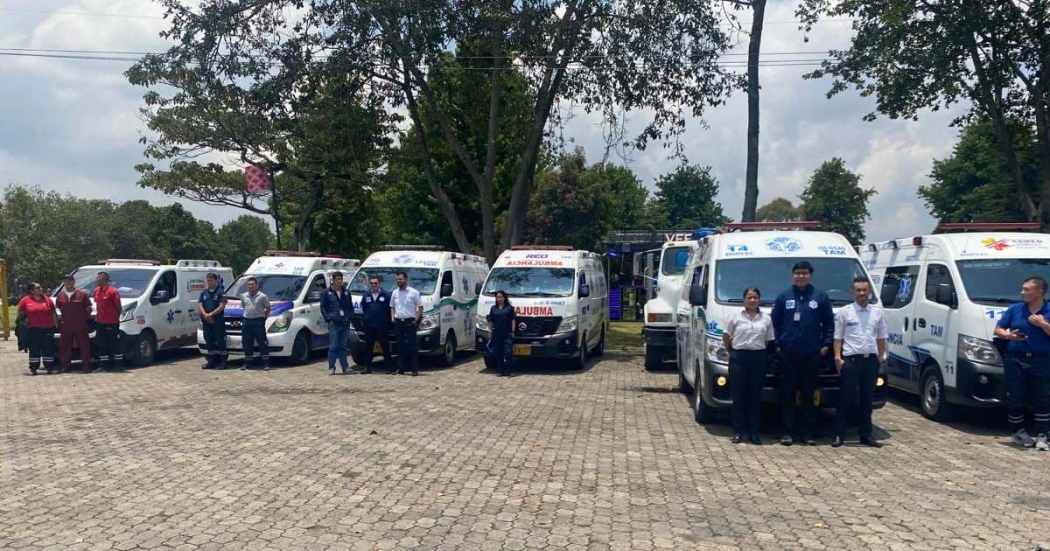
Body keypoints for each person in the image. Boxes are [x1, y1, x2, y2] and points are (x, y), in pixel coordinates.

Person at [770, 261, 834, 446]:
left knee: (809, 395)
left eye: (805, 273)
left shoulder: (820, 297)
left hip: (812, 354)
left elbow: (829, 324)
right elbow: (774, 324)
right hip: (788, 354)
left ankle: (808, 433)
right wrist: (779, 346)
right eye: (797, 273)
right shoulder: (783, 297)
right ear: (793, 275)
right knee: (787, 394)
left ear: (810, 275)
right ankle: (787, 432)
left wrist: (825, 345)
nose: (801, 276)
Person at [994, 276, 1050, 451]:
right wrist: (1008, 336)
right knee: (1016, 396)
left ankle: (1043, 435)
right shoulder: (1015, 309)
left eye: (1027, 289)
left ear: (1039, 291)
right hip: (1016, 358)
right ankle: (1018, 432)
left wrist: (1043, 324)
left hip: (1042, 359)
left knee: (1042, 397)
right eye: (1023, 289)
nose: (1022, 292)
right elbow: (998, 329)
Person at [832, 277, 888, 448]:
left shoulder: (877, 313)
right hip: (851, 361)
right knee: (845, 400)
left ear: (869, 291)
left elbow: (881, 337)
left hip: (870, 361)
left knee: (867, 400)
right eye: (858, 290)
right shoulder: (845, 312)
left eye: (865, 290)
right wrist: (838, 358)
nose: (862, 293)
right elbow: (838, 337)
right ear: (852, 292)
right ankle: (838, 435)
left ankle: (866, 435)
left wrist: (880, 357)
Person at [723, 287, 775, 445]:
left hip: (758, 358)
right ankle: (738, 432)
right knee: (738, 396)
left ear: (759, 299)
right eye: (749, 297)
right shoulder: (735, 317)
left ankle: (754, 433)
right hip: (739, 357)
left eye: (755, 297)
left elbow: (768, 339)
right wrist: (733, 351)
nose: (752, 300)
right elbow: (726, 337)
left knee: (755, 396)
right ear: (744, 299)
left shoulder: (766, 318)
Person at [16, 282, 58, 375]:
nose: (41, 289)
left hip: (47, 328)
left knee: (48, 348)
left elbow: (53, 313)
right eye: (38, 288)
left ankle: (49, 367)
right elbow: (20, 315)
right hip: (33, 329)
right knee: (34, 349)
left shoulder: (47, 300)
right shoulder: (25, 300)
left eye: (40, 287)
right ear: (32, 290)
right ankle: (34, 368)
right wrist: (21, 327)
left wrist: (55, 325)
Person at [56, 275, 93, 373]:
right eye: (65, 282)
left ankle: (86, 365)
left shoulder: (82, 294)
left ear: (73, 282)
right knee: (65, 345)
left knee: (84, 345)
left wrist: (84, 318)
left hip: (80, 324)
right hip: (66, 325)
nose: (67, 283)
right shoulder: (60, 295)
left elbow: (88, 308)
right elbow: (58, 308)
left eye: (69, 281)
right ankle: (65, 366)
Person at [390, 270, 422, 376]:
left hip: (410, 322)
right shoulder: (395, 292)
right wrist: (392, 318)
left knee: (412, 346)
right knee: (400, 346)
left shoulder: (413, 292)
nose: (398, 281)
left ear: (406, 280)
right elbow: (392, 306)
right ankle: (400, 368)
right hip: (398, 322)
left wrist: (416, 320)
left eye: (400, 279)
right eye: (397, 279)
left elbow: (420, 307)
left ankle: (414, 369)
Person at [359, 275, 393, 374]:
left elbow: (390, 309)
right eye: (372, 283)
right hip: (369, 326)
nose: (373, 285)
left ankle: (389, 367)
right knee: (368, 347)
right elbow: (364, 308)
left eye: (375, 283)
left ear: (380, 283)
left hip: (382, 326)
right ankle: (367, 367)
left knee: (385, 347)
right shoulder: (366, 295)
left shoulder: (386, 295)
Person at [321, 271, 353, 375]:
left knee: (343, 346)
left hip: (345, 323)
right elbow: (323, 307)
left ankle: (345, 367)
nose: (340, 281)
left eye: (341, 279)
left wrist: (350, 317)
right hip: (334, 323)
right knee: (333, 346)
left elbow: (350, 307)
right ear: (333, 280)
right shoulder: (327, 292)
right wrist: (328, 319)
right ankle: (332, 367)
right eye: (338, 279)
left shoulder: (346, 292)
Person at [93, 272, 125, 371]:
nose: (96, 280)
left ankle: (118, 365)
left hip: (112, 322)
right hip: (100, 322)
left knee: (114, 343)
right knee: (102, 343)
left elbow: (118, 307)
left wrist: (116, 317)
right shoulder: (96, 291)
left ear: (103, 279)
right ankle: (103, 366)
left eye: (98, 278)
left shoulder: (113, 291)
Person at [240, 277, 272, 371]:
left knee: (262, 343)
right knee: (247, 343)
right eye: (249, 284)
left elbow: (268, 308)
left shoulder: (262, 296)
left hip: (258, 322)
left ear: (256, 285)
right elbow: (244, 307)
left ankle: (266, 363)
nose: (250, 286)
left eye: (252, 284)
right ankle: (247, 363)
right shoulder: (244, 296)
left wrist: (264, 318)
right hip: (247, 322)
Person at [198, 272, 228, 370]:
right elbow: (200, 304)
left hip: (217, 321)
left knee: (220, 341)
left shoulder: (221, 292)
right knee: (209, 341)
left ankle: (223, 362)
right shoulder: (204, 292)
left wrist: (211, 314)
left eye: (211, 280)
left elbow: (221, 306)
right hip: (206, 321)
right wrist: (205, 314)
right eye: (208, 280)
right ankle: (211, 362)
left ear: (216, 281)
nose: (209, 282)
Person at [487, 290, 517, 377]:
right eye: (497, 297)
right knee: (498, 353)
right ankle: (501, 371)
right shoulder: (493, 308)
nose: (499, 299)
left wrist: (513, 331)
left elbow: (513, 320)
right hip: (497, 334)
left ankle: (509, 371)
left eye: (501, 297)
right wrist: (490, 331)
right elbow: (491, 321)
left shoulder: (509, 308)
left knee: (508, 352)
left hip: (507, 333)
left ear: (504, 298)